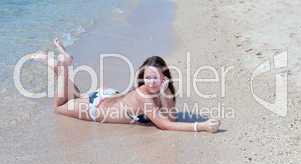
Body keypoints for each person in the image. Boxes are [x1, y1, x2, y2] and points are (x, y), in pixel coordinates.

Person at [31, 38, 221, 132]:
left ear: (164, 77)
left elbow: (170, 114)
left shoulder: (164, 90)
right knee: (58, 107)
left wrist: (164, 94)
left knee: (72, 95)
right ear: (142, 77)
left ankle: (61, 63)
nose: (151, 82)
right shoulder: (144, 96)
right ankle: (61, 65)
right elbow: (166, 124)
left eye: (155, 78)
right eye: (148, 78)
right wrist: (200, 126)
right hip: (97, 108)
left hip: (110, 96)